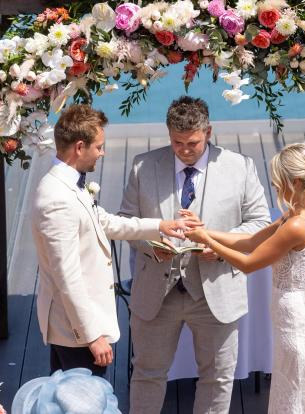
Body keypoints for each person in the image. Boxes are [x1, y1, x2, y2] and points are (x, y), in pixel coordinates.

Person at [119, 96, 270, 413]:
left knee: (217, 378)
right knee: (147, 375)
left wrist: (217, 246)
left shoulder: (240, 167)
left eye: (193, 143)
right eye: (177, 143)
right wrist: (154, 245)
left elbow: (260, 224)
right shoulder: (143, 167)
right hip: (156, 295)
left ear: (209, 132)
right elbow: (127, 222)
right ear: (168, 134)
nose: (185, 150)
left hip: (216, 292)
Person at [31, 104, 199, 380]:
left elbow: (104, 222)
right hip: (77, 332)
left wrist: (161, 226)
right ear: (80, 147)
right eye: (99, 147)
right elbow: (66, 277)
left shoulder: (69, 185)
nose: (103, 152)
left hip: (79, 326)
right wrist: (92, 336)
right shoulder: (57, 200)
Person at [185, 142, 305, 413]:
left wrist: (207, 241)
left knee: (292, 390)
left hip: (293, 317)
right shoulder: (295, 215)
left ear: (295, 182)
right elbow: (250, 241)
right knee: (290, 387)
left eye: (278, 182)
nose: (275, 187)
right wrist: (206, 230)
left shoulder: (296, 226)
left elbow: (249, 263)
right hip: (290, 311)